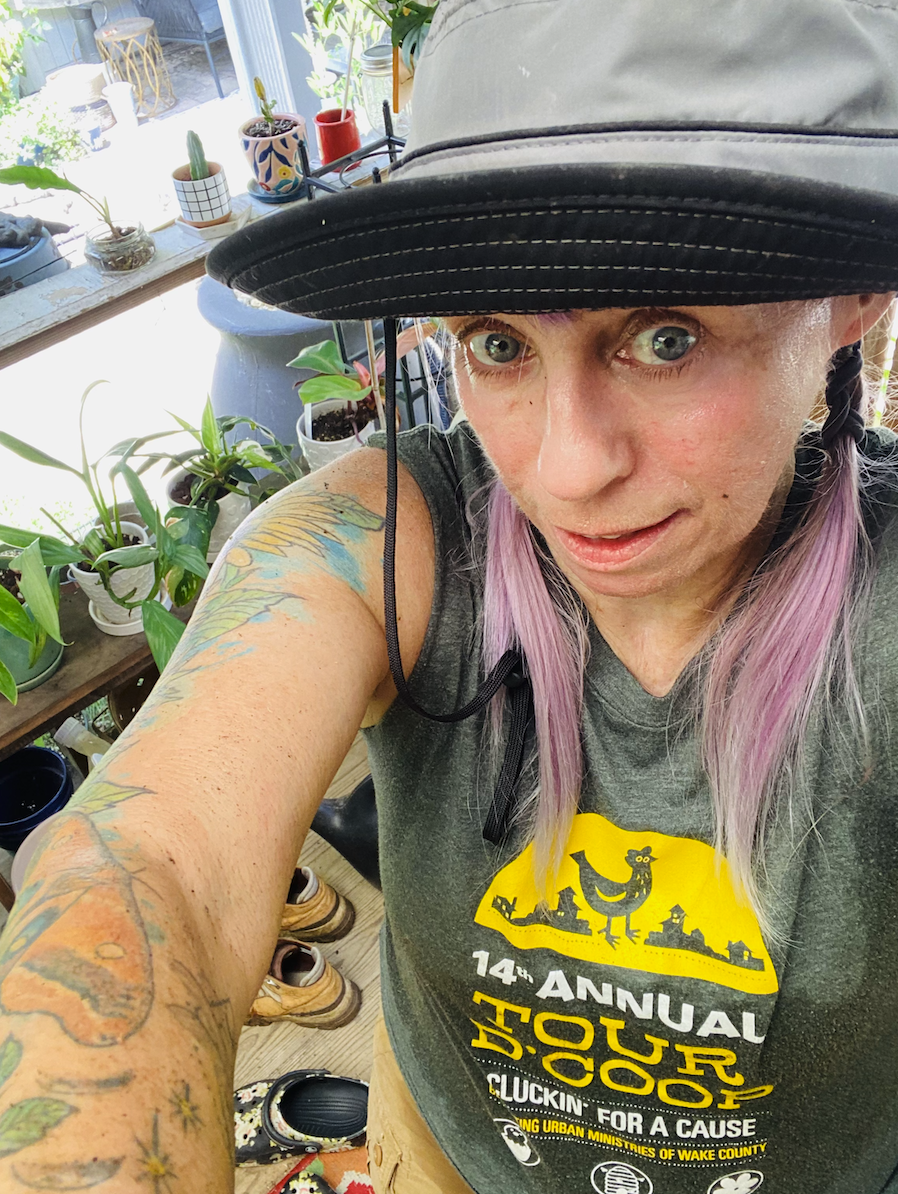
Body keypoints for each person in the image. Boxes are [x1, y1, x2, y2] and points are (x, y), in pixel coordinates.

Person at [4, 1, 898, 1191]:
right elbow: (146, 870)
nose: (570, 470)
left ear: (854, 303)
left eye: (668, 337)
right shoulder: (387, 543)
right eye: (497, 344)